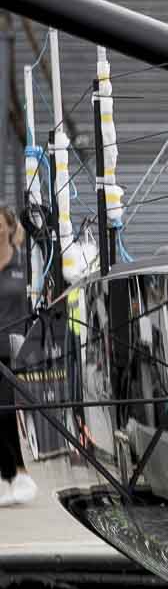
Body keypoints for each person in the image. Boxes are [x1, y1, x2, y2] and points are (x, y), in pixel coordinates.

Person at [0, 206, 37, 505]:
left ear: (10, 227)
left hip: (12, 351)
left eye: (0, 224)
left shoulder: (23, 264)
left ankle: (18, 471)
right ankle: (9, 474)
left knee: (6, 411)